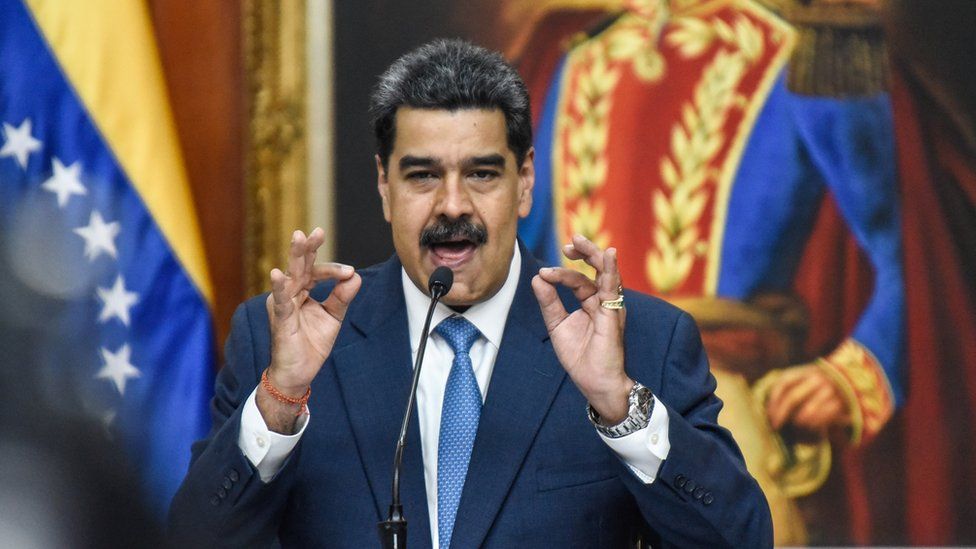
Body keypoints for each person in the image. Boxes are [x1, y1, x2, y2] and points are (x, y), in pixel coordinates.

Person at [168, 39, 771, 548]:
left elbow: (741, 537)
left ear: (525, 180)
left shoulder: (642, 341)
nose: (452, 206)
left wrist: (618, 406)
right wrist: (280, 401)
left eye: (481, 174)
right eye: (423, 175)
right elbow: (192, 537)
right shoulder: (279, 342)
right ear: (384, 185)